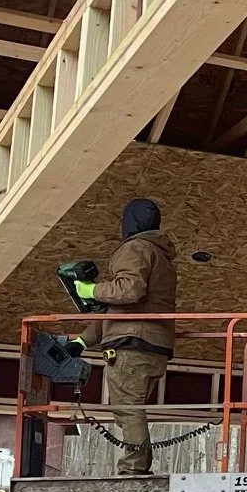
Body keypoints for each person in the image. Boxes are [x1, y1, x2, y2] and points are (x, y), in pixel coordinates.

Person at [72, 198, 178, 476]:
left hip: (132, 344)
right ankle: (136, 465)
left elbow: (129, 292)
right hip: (153, 344)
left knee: (128, 408)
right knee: (130, 409)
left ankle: (134, 468)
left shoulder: (136, 248)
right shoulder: (162, 258)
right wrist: (83, 340)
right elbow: (120, 308)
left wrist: (91, 291)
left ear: (128, 222)